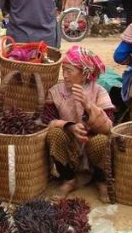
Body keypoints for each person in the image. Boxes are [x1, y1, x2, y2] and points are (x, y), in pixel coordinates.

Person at [42, 46, 114, 197]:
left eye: (70, 71)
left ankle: (101, 180)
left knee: (102, 140)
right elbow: (47, 121)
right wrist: (69, 127)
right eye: (64, 70)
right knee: (54, 134)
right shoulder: (56, 92)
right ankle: (69, 179)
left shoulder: (99, 91)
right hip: (69, 146)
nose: (65, 75)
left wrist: (88, 106)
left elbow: (109, 127)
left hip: (91, 144)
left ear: (84, 74)